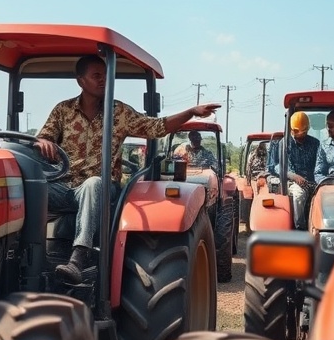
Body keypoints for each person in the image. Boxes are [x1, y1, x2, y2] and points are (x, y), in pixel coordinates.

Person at [35, 54, 220, 284]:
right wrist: (44, 143)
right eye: (96, 76)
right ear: (80, 81)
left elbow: (157, 127)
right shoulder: (63, 110)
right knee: (29, 187)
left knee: (93, 183)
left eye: (106, 76)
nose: (103, 80)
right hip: (66, 188)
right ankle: (25, 254)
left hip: (103, 189)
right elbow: (44, 138)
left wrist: (190, 112)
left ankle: (78, 258)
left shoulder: (119, 112)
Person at [268, 112, 320, 228]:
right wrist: (293, 176)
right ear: (292, 130)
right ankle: (300, 227)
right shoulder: (283, 144)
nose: (301, 135)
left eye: (304, 132)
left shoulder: (315, 143)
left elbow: (320, 164)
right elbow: (276, 166)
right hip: (292, 182)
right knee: (299, 195)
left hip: (313, 181)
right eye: (298, 132)